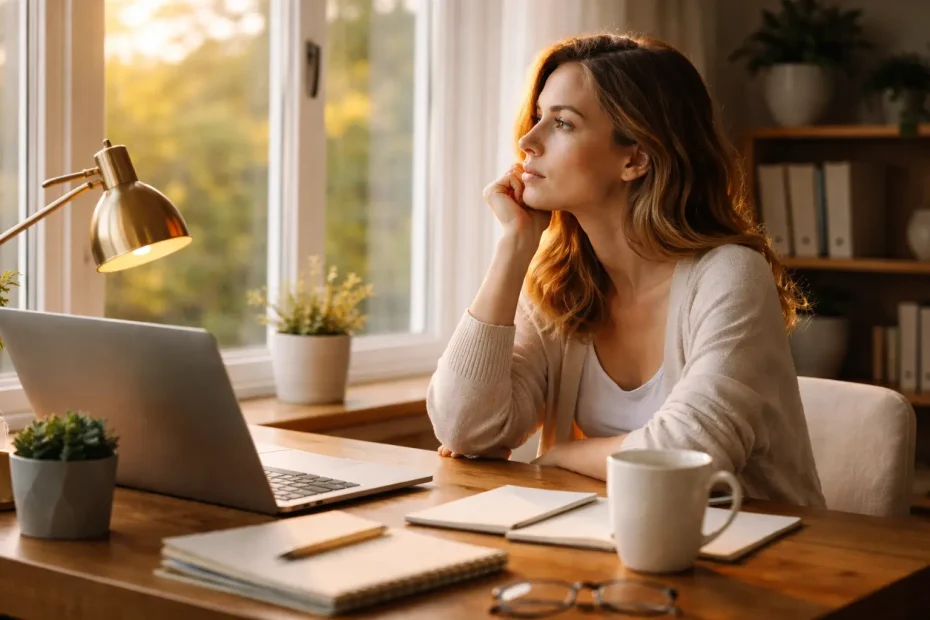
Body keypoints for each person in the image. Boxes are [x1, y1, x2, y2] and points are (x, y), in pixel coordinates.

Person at [426, 33, 825, 507]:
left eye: (563, 124)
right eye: (538, 118)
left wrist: (563, 455)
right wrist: (514, 247)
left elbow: (691, 454)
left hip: (763, 553)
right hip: (609, 542)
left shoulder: (729, 275)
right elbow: (466, 428)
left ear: (634, 158)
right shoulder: (562, 282)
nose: (527, 142)